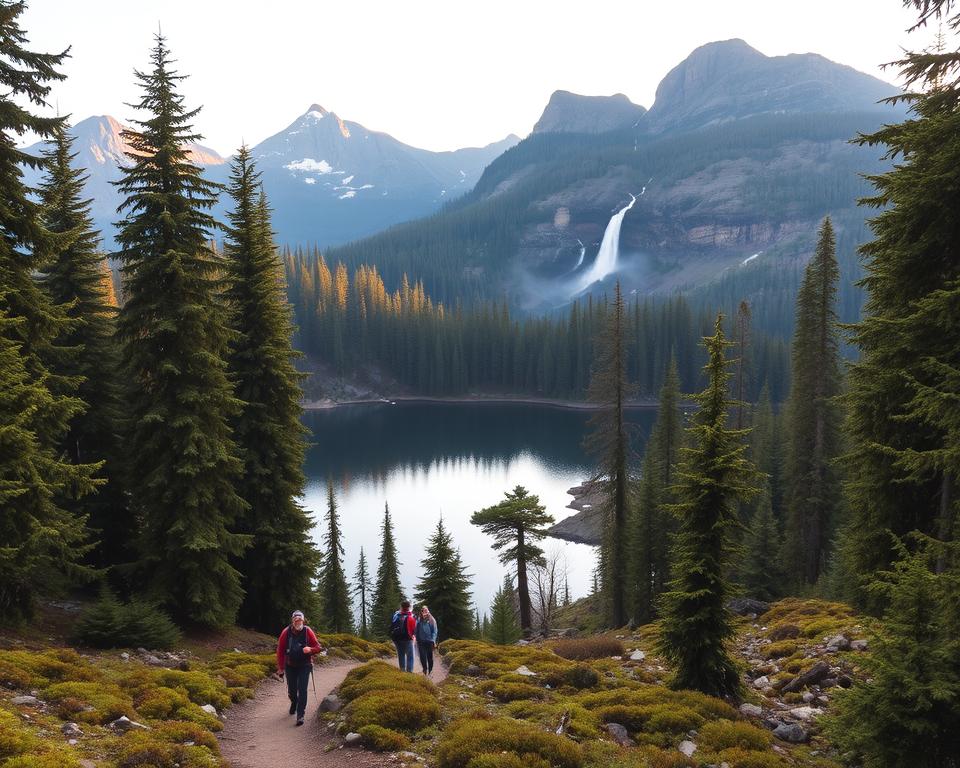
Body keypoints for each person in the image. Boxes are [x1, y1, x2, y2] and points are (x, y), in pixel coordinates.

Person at [276, 610, 323, 726]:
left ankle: (300, 715)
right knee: (292, 690)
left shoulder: (308, 631)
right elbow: (280, 650)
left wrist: (310, 650)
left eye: (300, 620)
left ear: (303, 620)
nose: (298, 622)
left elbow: (318, 647)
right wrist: (281, 667)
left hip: (305, 665)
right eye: (296, 620)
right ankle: (294, 702)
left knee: (302, 690)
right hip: (290, 665)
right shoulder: (285, 632)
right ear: (293, 621)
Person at [390, 600, 416, 672]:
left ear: (401, 607)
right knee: (410, 656)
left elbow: (392, 625)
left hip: (397, 639)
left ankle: (402, 671)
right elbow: (414, 629)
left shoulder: (396, 615)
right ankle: (409, 672)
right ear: (409, 607)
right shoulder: (411, 616)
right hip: (408, 639)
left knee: (401, 655)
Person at [415, 604, 438, 676]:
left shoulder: (432, 620)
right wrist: (416, 639)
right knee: (422, 656)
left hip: (429, 641)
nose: (424, 611)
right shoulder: (419, 620)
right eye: (423, 610)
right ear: (421, 611)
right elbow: (416, 630)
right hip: (421, 641)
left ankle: (430, 671)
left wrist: (433, 641)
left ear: (428, 611)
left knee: (429, 657)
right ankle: (425, 669)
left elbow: (434, 631)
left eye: (426, 610)